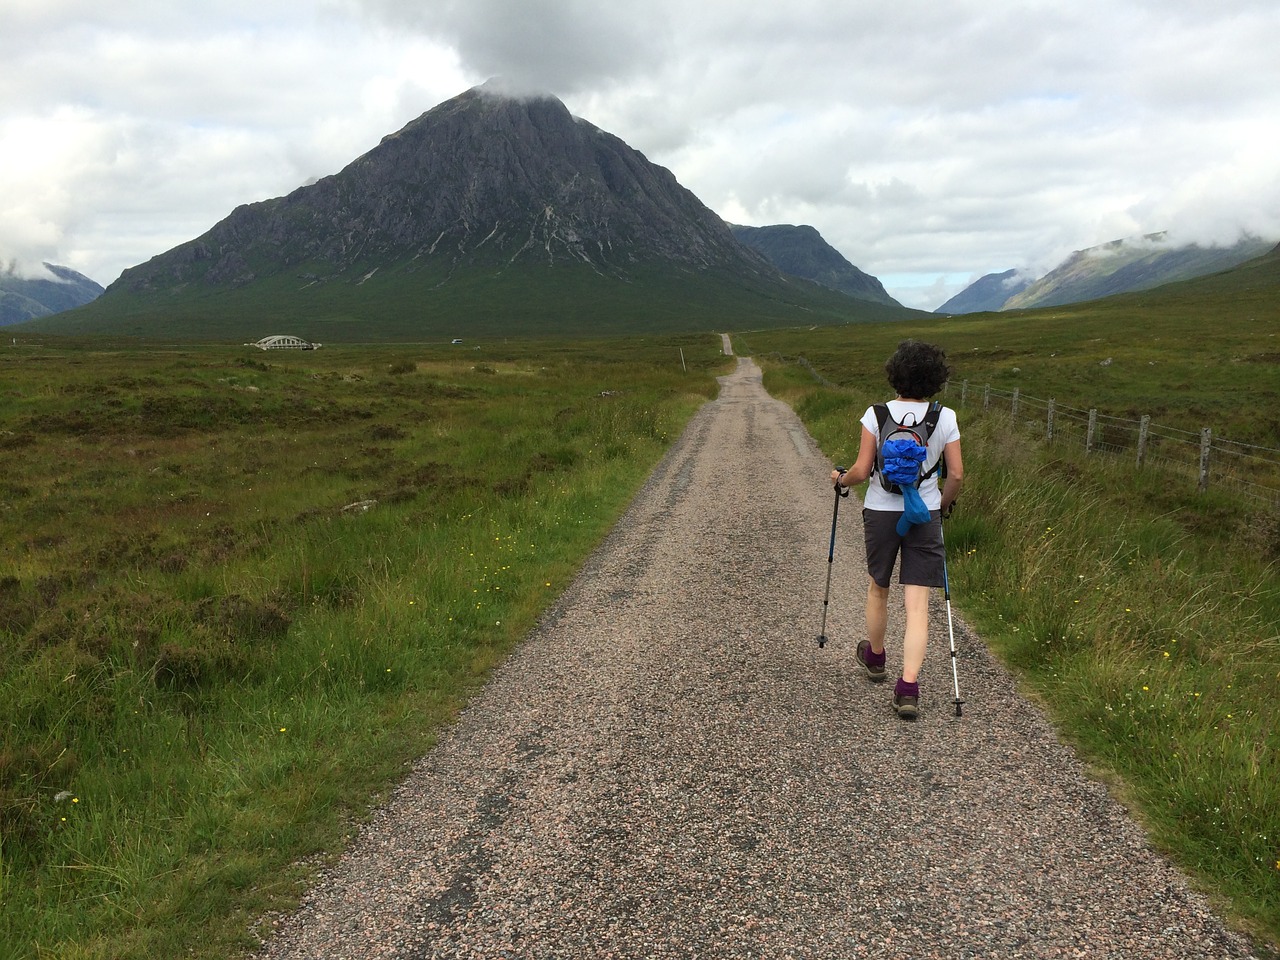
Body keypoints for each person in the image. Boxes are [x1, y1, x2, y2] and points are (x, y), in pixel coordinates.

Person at [829, 340, 963, 719]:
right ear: (936, 379)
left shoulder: (875, 415)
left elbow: (859, 471)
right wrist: (944, 503)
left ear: (895, 374)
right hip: (925, 515)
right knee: (918, 604)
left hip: (881, 511)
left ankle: (874, 657)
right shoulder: (946, 418)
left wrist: (840, 478)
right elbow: (955, 474)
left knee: (879, 587)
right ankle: (908, 688)